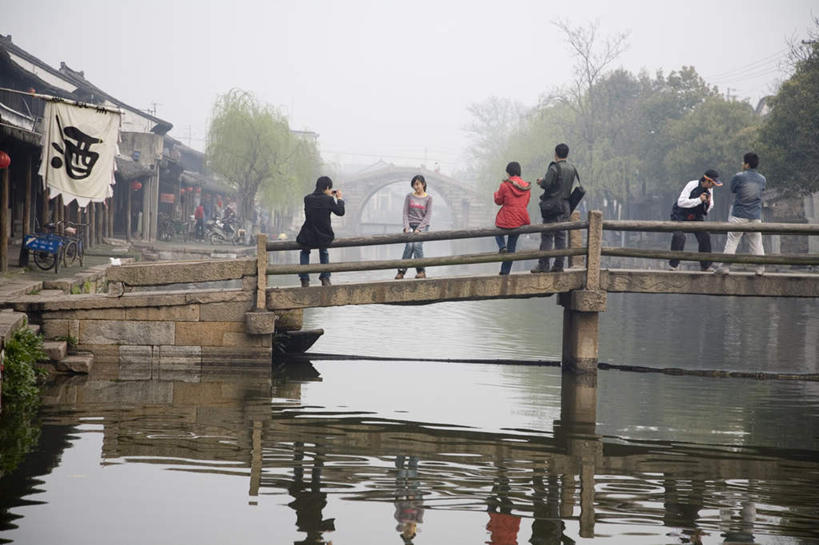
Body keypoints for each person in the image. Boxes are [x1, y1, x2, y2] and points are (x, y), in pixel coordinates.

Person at [715, 152, 766, 275]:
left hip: (739, 214)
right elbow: (761, 191)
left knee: (732, 240)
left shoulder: (738, 177)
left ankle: (725, 267)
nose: (742, 164)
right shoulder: (762, 179)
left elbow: (733, 189)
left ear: (747, 164)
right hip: (755, 216)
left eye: (743, 162)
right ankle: (760, 269)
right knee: (756, 242)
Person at [531, 143, 578, 273]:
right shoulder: (572, 168)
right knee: (561, 236)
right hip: (566, 205)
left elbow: (547, 184)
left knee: (547, 235)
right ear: (567, 154)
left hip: (553, 206)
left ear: (556, 154)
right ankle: (558, 266)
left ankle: (543, 265)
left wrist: (541, 181)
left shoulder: (554, 168)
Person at [668, 169, 722, 271]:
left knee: (705, 235)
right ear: (707, 180)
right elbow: (681, 202)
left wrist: (708, 203)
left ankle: (705, 265)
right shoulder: (691, 185)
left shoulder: (710, 190)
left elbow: (709, 208)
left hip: (696, 216)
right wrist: (699, 200)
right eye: (712, 183)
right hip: (680, 215)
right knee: (679, 236)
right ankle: (673, 265)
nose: (713, 186)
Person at [296, 176, 345, 287]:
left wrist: (328, 197)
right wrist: (339, 198)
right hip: (323, 234)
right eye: (329, 188)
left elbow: (316, 207)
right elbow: (340, 212)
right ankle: (325, 278)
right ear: (327, 187)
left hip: (308, 233)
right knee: (323, 252)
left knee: (304, 252)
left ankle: (304, 280)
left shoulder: (307, 198)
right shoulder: (329, 200)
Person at [493, 161, 531, 275]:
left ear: (509, 173)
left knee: (497, 232)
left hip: (506, 218)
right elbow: (526, 202)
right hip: (520, 219)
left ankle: (501, 246)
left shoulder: (505, 185)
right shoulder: (526, 187)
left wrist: (496, 194)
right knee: (512, 246)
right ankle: (505, 272)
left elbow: (498, 201)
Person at [395, 174, 432, 280]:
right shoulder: (409, 196)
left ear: (423, 184)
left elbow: (428, 216)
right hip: (410, 225)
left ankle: (421, 271)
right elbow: (405, 213)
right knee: (410, 245)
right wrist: (406, 227)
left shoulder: (429, 198)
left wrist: (419, 229)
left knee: (416, 245)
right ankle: (401, 271)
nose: (416, 187)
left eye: (417, 184)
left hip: (423, 226)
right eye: (414, 185)